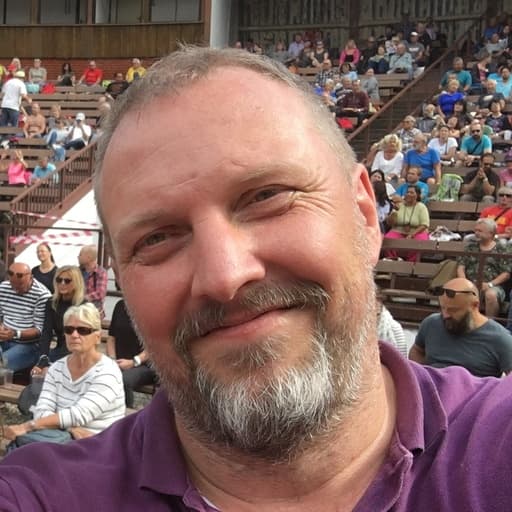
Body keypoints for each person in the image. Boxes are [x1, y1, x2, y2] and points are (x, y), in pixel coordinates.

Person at [6, 45, 512, 511]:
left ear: (364, 214)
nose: (225, 277)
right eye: (157, 238)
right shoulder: (46, 494)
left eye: (266, 197)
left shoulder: (496, 443)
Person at [4, 303, 125, 449]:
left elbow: (79, 414)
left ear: (97, 337)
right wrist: (71, 429)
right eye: (69, 330)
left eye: (83, 330)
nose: (74, 335)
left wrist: (28, 426)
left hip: (99, 445)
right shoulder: (56, 368)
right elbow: (41, 411)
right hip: (61, 438)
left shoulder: (108, 372)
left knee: (27, 449)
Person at [410, 278, 512, 377]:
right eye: (443, 308)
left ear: (474, 305)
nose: (445, 315)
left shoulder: (500, 339)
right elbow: (417, 350)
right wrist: (421, 375)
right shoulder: (431, 324)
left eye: (453, 310)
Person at [0, 262, 51, 371]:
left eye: (20, 285)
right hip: (3, 339)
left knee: (2, 365)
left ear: (31, 277)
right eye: (12, 284)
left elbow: (40, 330)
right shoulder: (4, 287)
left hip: (28, 345)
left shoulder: (42, 294)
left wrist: (15, 334)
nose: (16, 289)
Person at [107, 299, 157, 408]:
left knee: (123, 380)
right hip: (118, 362)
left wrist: (133, 362)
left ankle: (126, 413)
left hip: (144, 365)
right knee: (99, 374)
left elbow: (155, 346)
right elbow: (111, 338)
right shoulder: (120, 305)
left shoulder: (152, 308)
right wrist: (112, 360)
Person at [457, 218, 511, 318]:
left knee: (491, 295)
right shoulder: (470, 247)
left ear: (491, 233)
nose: (476, 233)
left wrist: (490, 284)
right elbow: (461, 267)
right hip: (470, 282)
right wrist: (465, 282)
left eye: (480, 231)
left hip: (494, 285)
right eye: (475, 230)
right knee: (459, 291)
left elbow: (506, 273)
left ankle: (489, 323)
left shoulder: (502, 248)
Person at [38, 265, 85, 363]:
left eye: (67, 281)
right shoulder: (52, 303)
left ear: (76, 283)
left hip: (78, 351)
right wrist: (43, 356)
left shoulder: (84, 305)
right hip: (59, 349)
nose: (62, 283)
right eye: (59, 280)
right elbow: (46, 332)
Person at [384, 185, 430, 261]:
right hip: (398, 230)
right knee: (388, 239)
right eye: (407, 192)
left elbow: (424, 224)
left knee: (418, 242)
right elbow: (389, 223)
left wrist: (412, 234)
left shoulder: (421, 207)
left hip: (417, 231)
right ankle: (392, 260)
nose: (408, 194)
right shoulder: (399, 205)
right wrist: (394, 211)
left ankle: (411, 264)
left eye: (411, 192)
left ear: (417, 195)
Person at [78, 244, 108, 318]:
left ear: (88, 257)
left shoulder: (101, 272)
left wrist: (82, 298)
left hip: (93, 312)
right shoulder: (77, 271)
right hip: (78, 310)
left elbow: (100, 294)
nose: (78, 257)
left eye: (80, 254)